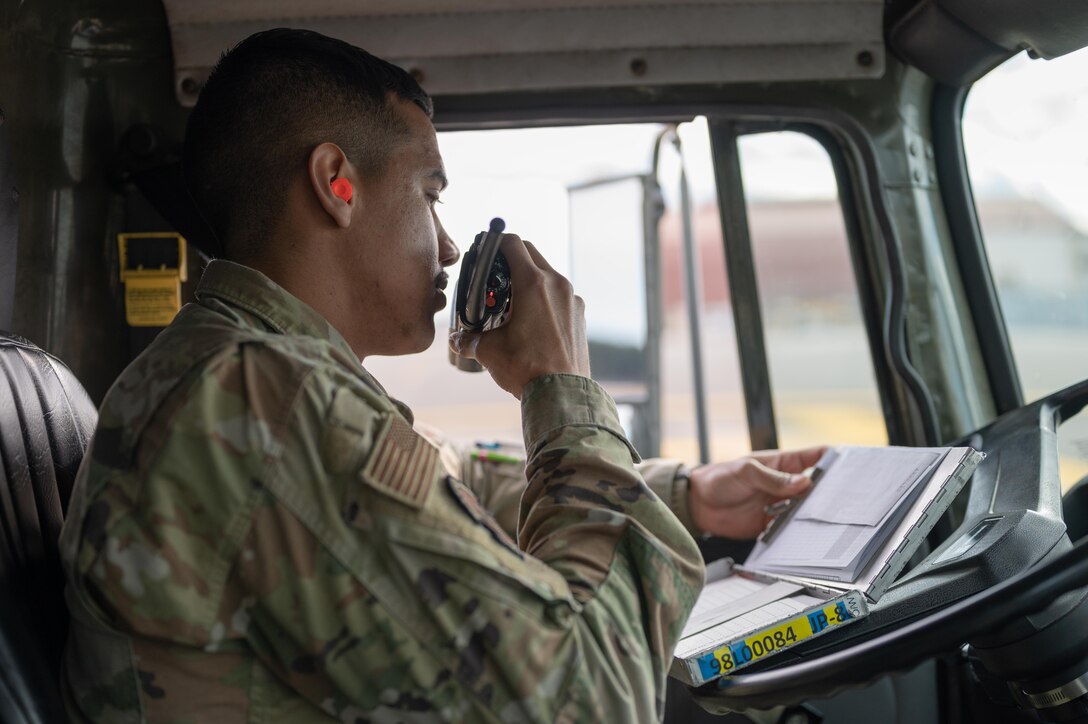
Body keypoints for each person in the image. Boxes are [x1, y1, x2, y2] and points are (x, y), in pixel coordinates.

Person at [58, 28, 823, 723]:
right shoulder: (262, 401)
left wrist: (687, 492)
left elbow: (446, 482)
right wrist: (562, 388)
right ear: (337, 184)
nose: (452, 247)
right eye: (430, 195)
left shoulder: (246, 374)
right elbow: (601, 702)